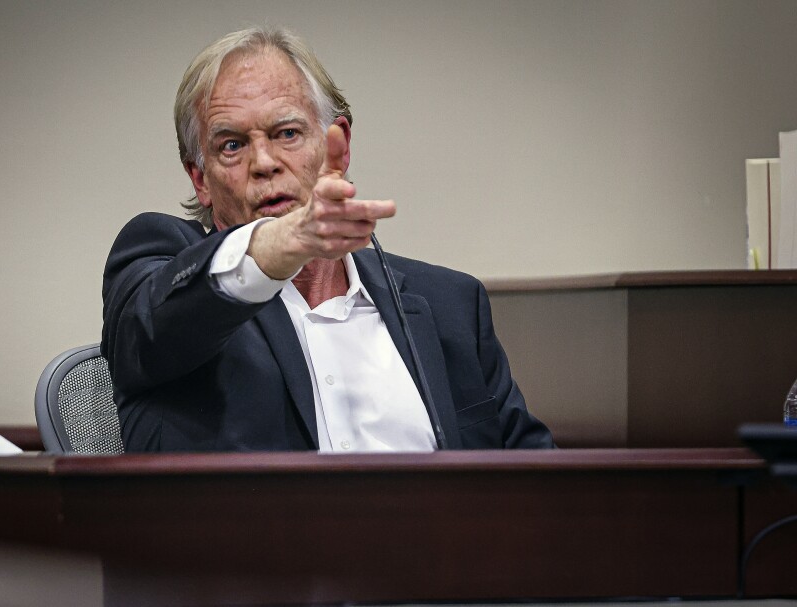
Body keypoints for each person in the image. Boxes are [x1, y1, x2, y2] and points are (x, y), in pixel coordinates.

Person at [101, 26, 554, 452]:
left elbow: (535, 474)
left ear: (339, 143)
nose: (264, 162)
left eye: (287, 133)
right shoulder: (163, 267)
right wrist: (279, 244)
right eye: (232, 146)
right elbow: (149, 328)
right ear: (200, 178)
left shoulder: (450, 305)